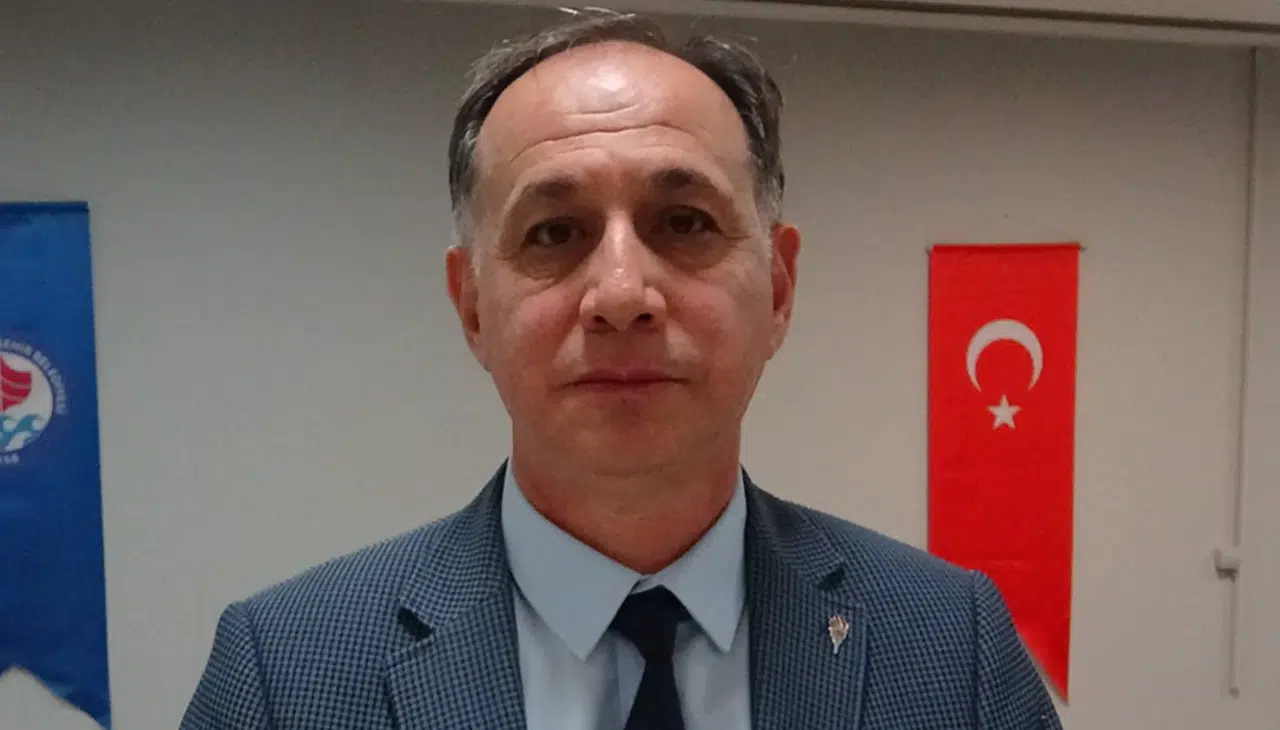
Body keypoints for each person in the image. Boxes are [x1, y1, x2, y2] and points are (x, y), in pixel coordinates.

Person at [181, 9, 1063, 730]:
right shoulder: (284, 677)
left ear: (778, 288)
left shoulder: (953, 651)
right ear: (473, 308)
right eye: (554, 233)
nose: (620, 293)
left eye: (683, 223)